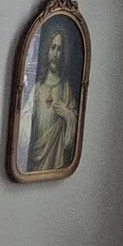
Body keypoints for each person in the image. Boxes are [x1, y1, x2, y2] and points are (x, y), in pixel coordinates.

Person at [19, 21, 80, 174]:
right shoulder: (37, 88)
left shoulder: (66, 89)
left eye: (60, 49)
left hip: (56, 158)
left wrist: (67, 114)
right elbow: (23, 128)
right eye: (53, 48)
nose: (55, 54)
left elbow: (70, 136)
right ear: (47, 50)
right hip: (35, 156)